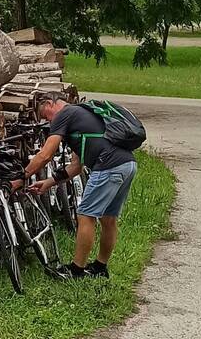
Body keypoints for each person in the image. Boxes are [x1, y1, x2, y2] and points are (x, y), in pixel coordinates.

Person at [23, 92, 137, 279]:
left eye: (45, 115)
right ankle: (100, 268)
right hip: (127, 165)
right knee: (108, 219)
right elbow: (76, 166)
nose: (48, 122)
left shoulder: (64, 114)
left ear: (51, 103)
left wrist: (23, 176)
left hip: (108, 166)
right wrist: (49, 182)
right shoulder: (82, 115)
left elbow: (45, 155)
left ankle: (76, 271)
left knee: (85, 215)